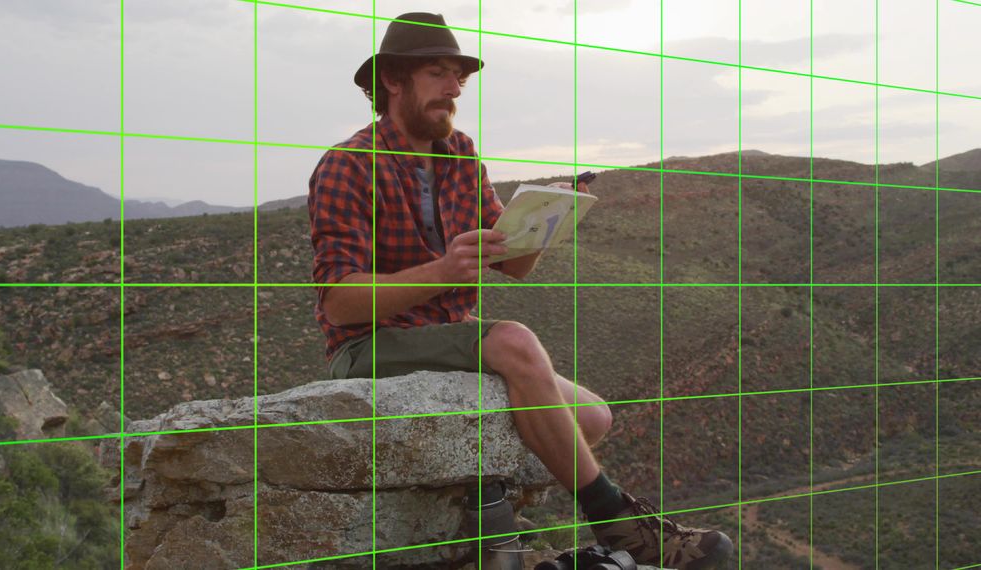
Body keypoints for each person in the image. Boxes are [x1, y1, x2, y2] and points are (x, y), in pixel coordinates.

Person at [307, 12, 732, 570]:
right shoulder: (347, 166)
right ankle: (621, 528)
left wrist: (545, 215)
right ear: (393, 81)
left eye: (460, 77)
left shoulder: (460, 155)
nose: (455, 88)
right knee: (512, 338)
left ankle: (538, 536)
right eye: (439, 74)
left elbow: (514, 265)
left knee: (594, 417)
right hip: (369, 347)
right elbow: (338, 300)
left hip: (447, 340)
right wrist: (442, 270)